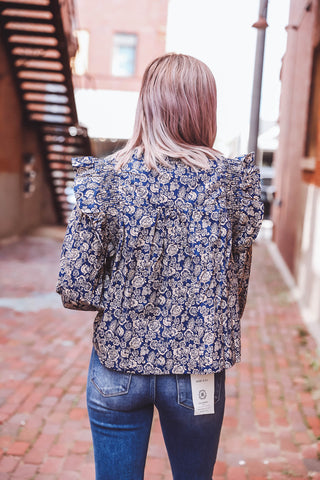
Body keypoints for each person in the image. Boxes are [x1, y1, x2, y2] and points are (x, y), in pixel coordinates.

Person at [56, 53, 264, 480]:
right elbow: (234, 292)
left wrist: (124, 294)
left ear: (147, 105)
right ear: (205, 108)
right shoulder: (228, 182)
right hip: (197, 371)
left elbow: (75, 285)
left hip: (118, 366)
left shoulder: (107, 178)